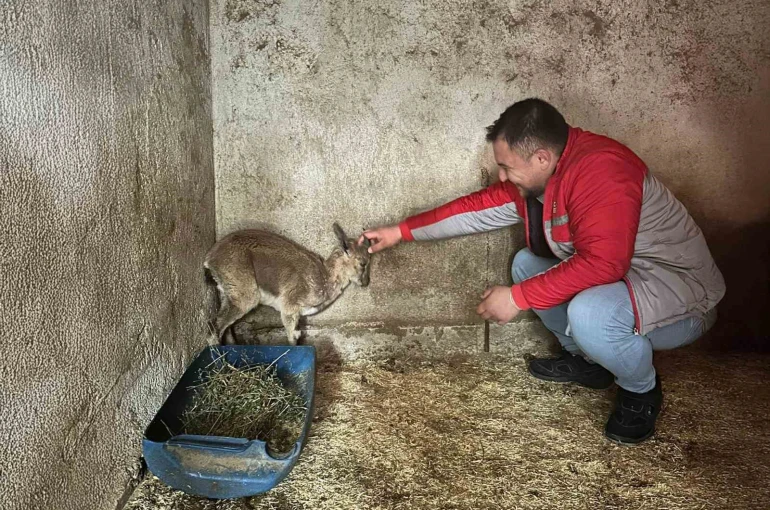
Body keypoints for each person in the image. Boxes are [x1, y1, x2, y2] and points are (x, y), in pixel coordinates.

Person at [361, 98, 725, 444]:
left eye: (506, 167)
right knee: (526, 264)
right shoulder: (543, 176)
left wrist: (517, 298)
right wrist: (400, 231)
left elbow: (604, 262)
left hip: (683, 301)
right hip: (625, 285)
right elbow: (476, 209)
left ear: (541, 156)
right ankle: (589, 363)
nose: (502, 177)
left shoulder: (603, 169)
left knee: (589, 313)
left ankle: (640, 391)